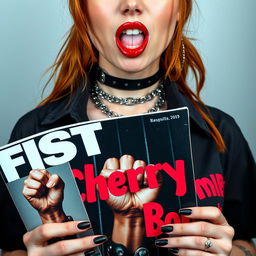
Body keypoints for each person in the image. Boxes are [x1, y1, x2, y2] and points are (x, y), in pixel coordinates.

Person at [0, 0, 255, 255]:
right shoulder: (32, 131)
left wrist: (229, 252)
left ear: (179, 9)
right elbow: (12, 248)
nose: (131, 4)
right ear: (83, 13)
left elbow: (245, 242)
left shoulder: (221, 133)